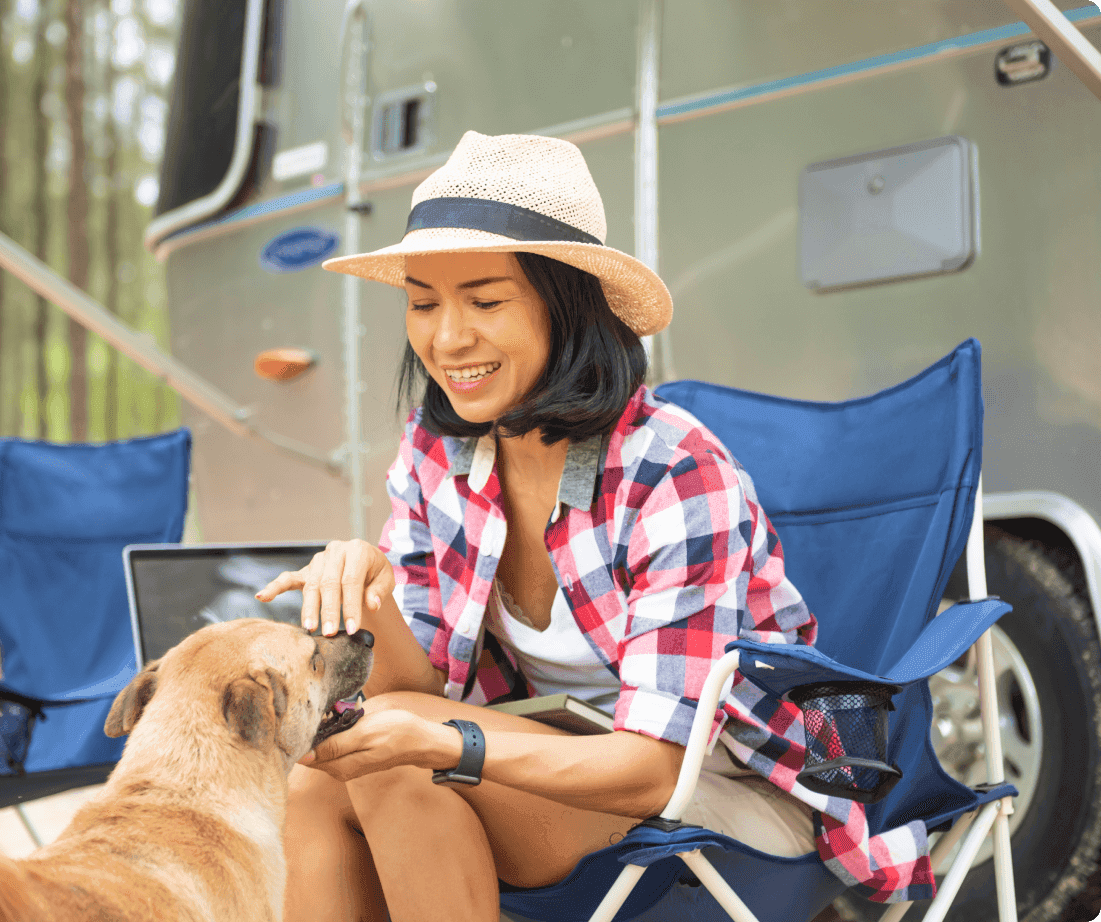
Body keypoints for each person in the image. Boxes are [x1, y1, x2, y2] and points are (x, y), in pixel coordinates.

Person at [257, 132, 915, 922]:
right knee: (324, 774)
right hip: (546, 753)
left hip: (736, 786)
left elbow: (649, 769)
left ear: (569, 303)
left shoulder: (674, 470)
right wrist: (370, 596)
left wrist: (450, 745)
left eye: (486, 300)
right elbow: (420, 692)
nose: (447, 337)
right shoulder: (439, 453)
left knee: (400, 763)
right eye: (424, 303)